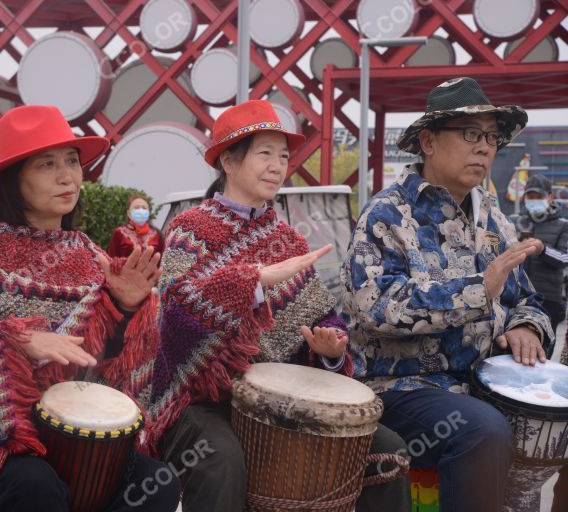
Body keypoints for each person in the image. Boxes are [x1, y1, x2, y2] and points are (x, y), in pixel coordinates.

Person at [129, 100, 410, 512]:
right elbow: (176, 317)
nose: (278, 166)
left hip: (282, 399)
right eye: (265, 154)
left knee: (389, 450)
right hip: (202, 399)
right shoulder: (190, 229)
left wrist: (330, 350)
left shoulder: (288, 240)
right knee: (221, 459)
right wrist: (253, 283)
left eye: (283, 156)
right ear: (228, 159)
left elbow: (318, 318)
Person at [0, 105, 180, 512]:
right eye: (47, 165)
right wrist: (14, 340)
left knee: (156, 481)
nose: (67, 176)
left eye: (72, 162)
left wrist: (124, 307)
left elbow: (110, 365)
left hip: (85, 441)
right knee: (36, 485)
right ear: (14, 177)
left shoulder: (92, 256)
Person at [342, 77, 555, 512]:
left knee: (550, 425)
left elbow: (527, 299)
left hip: (481, 383)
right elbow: (375, 308)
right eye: (470, 134)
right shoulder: (387, 213)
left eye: (492, 137)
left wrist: (528, 327)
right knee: (482, 430)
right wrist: (479, 289)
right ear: (429, 141)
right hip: (401, 388)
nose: (484, 147)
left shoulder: (494, 217)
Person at [514, 173, 568, 335]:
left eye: (539, 196)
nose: (534, 200)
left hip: (549, 298)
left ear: (550, 197)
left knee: (543, 351)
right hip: (519, 297)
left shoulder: (563, 225)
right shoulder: (518, 221)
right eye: (530, 196)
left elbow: (565, 258)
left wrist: (542, 249)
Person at [108, 194, 164, 259]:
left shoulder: (157, 234)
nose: (141, 211)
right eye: (136, 208)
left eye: (144, 208)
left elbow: (161, 260)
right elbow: (111, 258)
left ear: (148, 213)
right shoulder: (119, 232)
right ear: (128, 213)